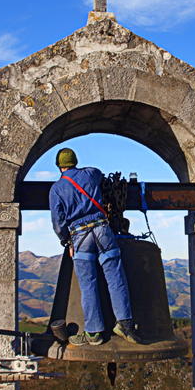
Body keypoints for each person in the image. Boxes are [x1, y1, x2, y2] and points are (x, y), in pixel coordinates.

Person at [48, 147, 143, 346]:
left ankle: (94, 333)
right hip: (102, 230)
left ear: (60, 167)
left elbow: (58, 222)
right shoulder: (91, 173)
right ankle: (125, 324)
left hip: (80, 236)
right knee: (116, 277)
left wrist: (66, 241)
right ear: (75, 162)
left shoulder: (56, 189)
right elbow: (100, 175)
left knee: (88, 284)